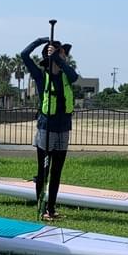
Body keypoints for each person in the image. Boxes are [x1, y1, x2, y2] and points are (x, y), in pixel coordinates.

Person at [21, 35, 80, 221]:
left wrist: (57, 58)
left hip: (63, 128)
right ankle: (41, 206)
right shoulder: (40, 76)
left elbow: (74, 76)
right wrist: (41, 40)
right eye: (60, 52)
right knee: (43, 171)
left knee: (56, 172)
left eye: (62, 53)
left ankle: (51, 209)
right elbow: (24, 54)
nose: (64, 55)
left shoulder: (67, 76)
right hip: (46, 129)